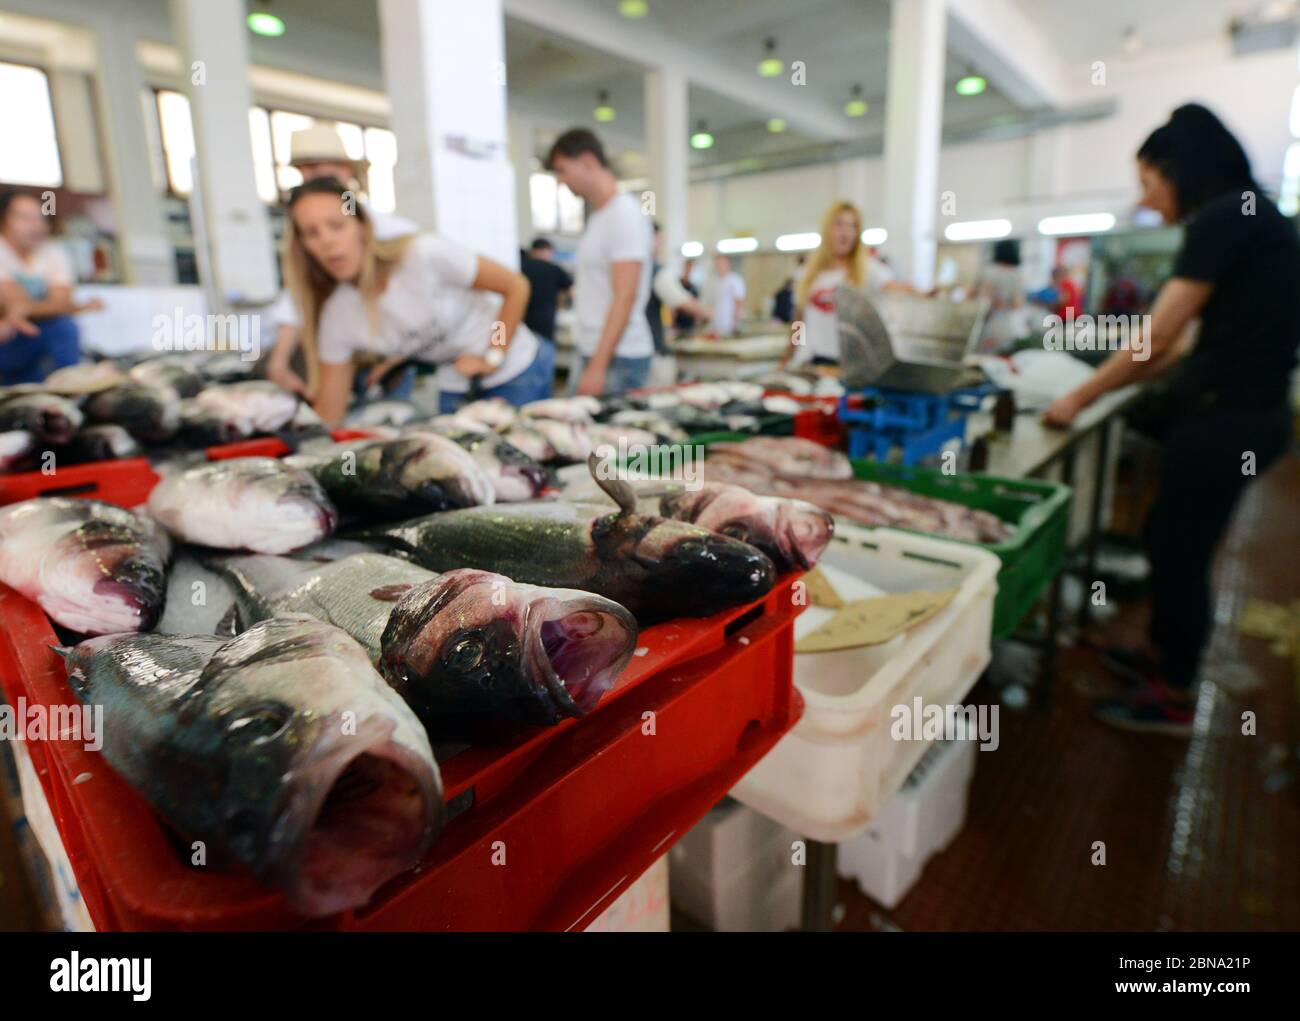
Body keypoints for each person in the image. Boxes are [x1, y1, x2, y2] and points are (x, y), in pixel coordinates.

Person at [1043, 103, 1300, 735]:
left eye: (1149, 183)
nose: (1148, 200)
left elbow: (1157, 340)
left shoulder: (1224, 218)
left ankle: (1176, 694)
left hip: (1226, 420)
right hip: (1249, 416)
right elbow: (1181, 345)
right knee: (1168, 535)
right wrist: (1117, 380)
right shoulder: (1252, 216)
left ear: (1178, 169)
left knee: (1181, 549)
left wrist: (1080, 398)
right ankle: (1163, 657)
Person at [281, 177, 548, 423]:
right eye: (311, 233)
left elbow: (515, 287)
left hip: (516, 370)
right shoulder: (338, 314)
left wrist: (493, 355)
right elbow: (330, 410)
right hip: (456, 380)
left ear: (362, 227)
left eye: (337, 226)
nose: (326, 241)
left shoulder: (423, 254)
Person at [265, 124, 418, 398]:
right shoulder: (303, 238)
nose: (309, 177)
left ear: (347, 170)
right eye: (304, 170)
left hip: (388, 361)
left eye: (318, 167)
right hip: (336, 359)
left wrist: (401, 355)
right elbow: (297, 297)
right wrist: (278, 361)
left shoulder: (395, 232)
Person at [546, 128, 653, 396]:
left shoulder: (624, 215)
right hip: (594, 352)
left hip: (619, 357)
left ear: (587, 161)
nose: (561, 181)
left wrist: (597, 366)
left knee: (612, 438)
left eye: (563, 170)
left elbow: (625, 296)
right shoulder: (599, 219)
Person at [0, 191, 102, 385]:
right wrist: (78, 307)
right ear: (4, 221)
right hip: (7, 342)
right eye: (25, 218)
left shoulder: (53, 252)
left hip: (34, 335)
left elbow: (58, 301)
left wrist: (23, 309)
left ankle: (69, 389)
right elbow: (16, 302)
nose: (36, 225)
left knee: (64, 327)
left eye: (40, 218)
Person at [777, 200, 874, 369]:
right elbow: (798, 323)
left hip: (846, 366)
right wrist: (788, 356)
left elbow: (895, 288)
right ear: (827, 229)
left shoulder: (868, 271)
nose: (845, 232)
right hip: (809, 362)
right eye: (839, 224)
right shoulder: (806, 273)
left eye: (852, 226)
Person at [645, 223, 712, 385]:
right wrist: (707, 313)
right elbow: (681, 301)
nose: (660, 244)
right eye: (659, 239)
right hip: (651, 350)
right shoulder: (655, 271)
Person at [519, 236, 572, 347]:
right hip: (545, 325)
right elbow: (572, 292)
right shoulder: (555, 269)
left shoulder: (520, 266)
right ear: (548, 250)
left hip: (522, 325)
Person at [975, 239, 1025, 352]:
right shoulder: (1016, 275)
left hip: (988, 324)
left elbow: (982, 299)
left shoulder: (989, 272)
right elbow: (1018, 304)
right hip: (1008, 325)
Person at [704, 253, 746, 338]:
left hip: (729, 323)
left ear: (728, 263)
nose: (719, 265)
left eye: (721, 262)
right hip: (714, 323)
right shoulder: (712, 281)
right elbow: (708, 303)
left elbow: (738, 301)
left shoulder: (735, 279)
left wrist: (735, 322)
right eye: (717, 263)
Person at [673, 259, 701, 332]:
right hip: (679, 322)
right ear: (683, 267)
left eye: (690, 267)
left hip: (690, 323)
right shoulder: (677, 284)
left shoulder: (694, 287)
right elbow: (673, 306)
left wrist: (696, 322)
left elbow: (696, 305)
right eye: (687, 266)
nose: (688, 269)